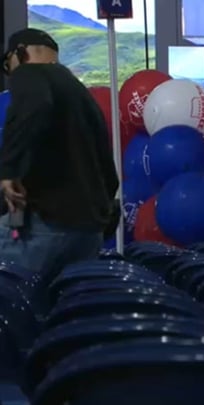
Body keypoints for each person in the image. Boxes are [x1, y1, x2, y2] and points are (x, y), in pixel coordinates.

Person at [0, 28, 118, 281]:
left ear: (20, 53)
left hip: (48, 225)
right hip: (88, 233)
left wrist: (9, 171)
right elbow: (109, 171)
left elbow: (36, 106)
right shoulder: (80, 93)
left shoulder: (30, 74)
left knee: (14, 301)